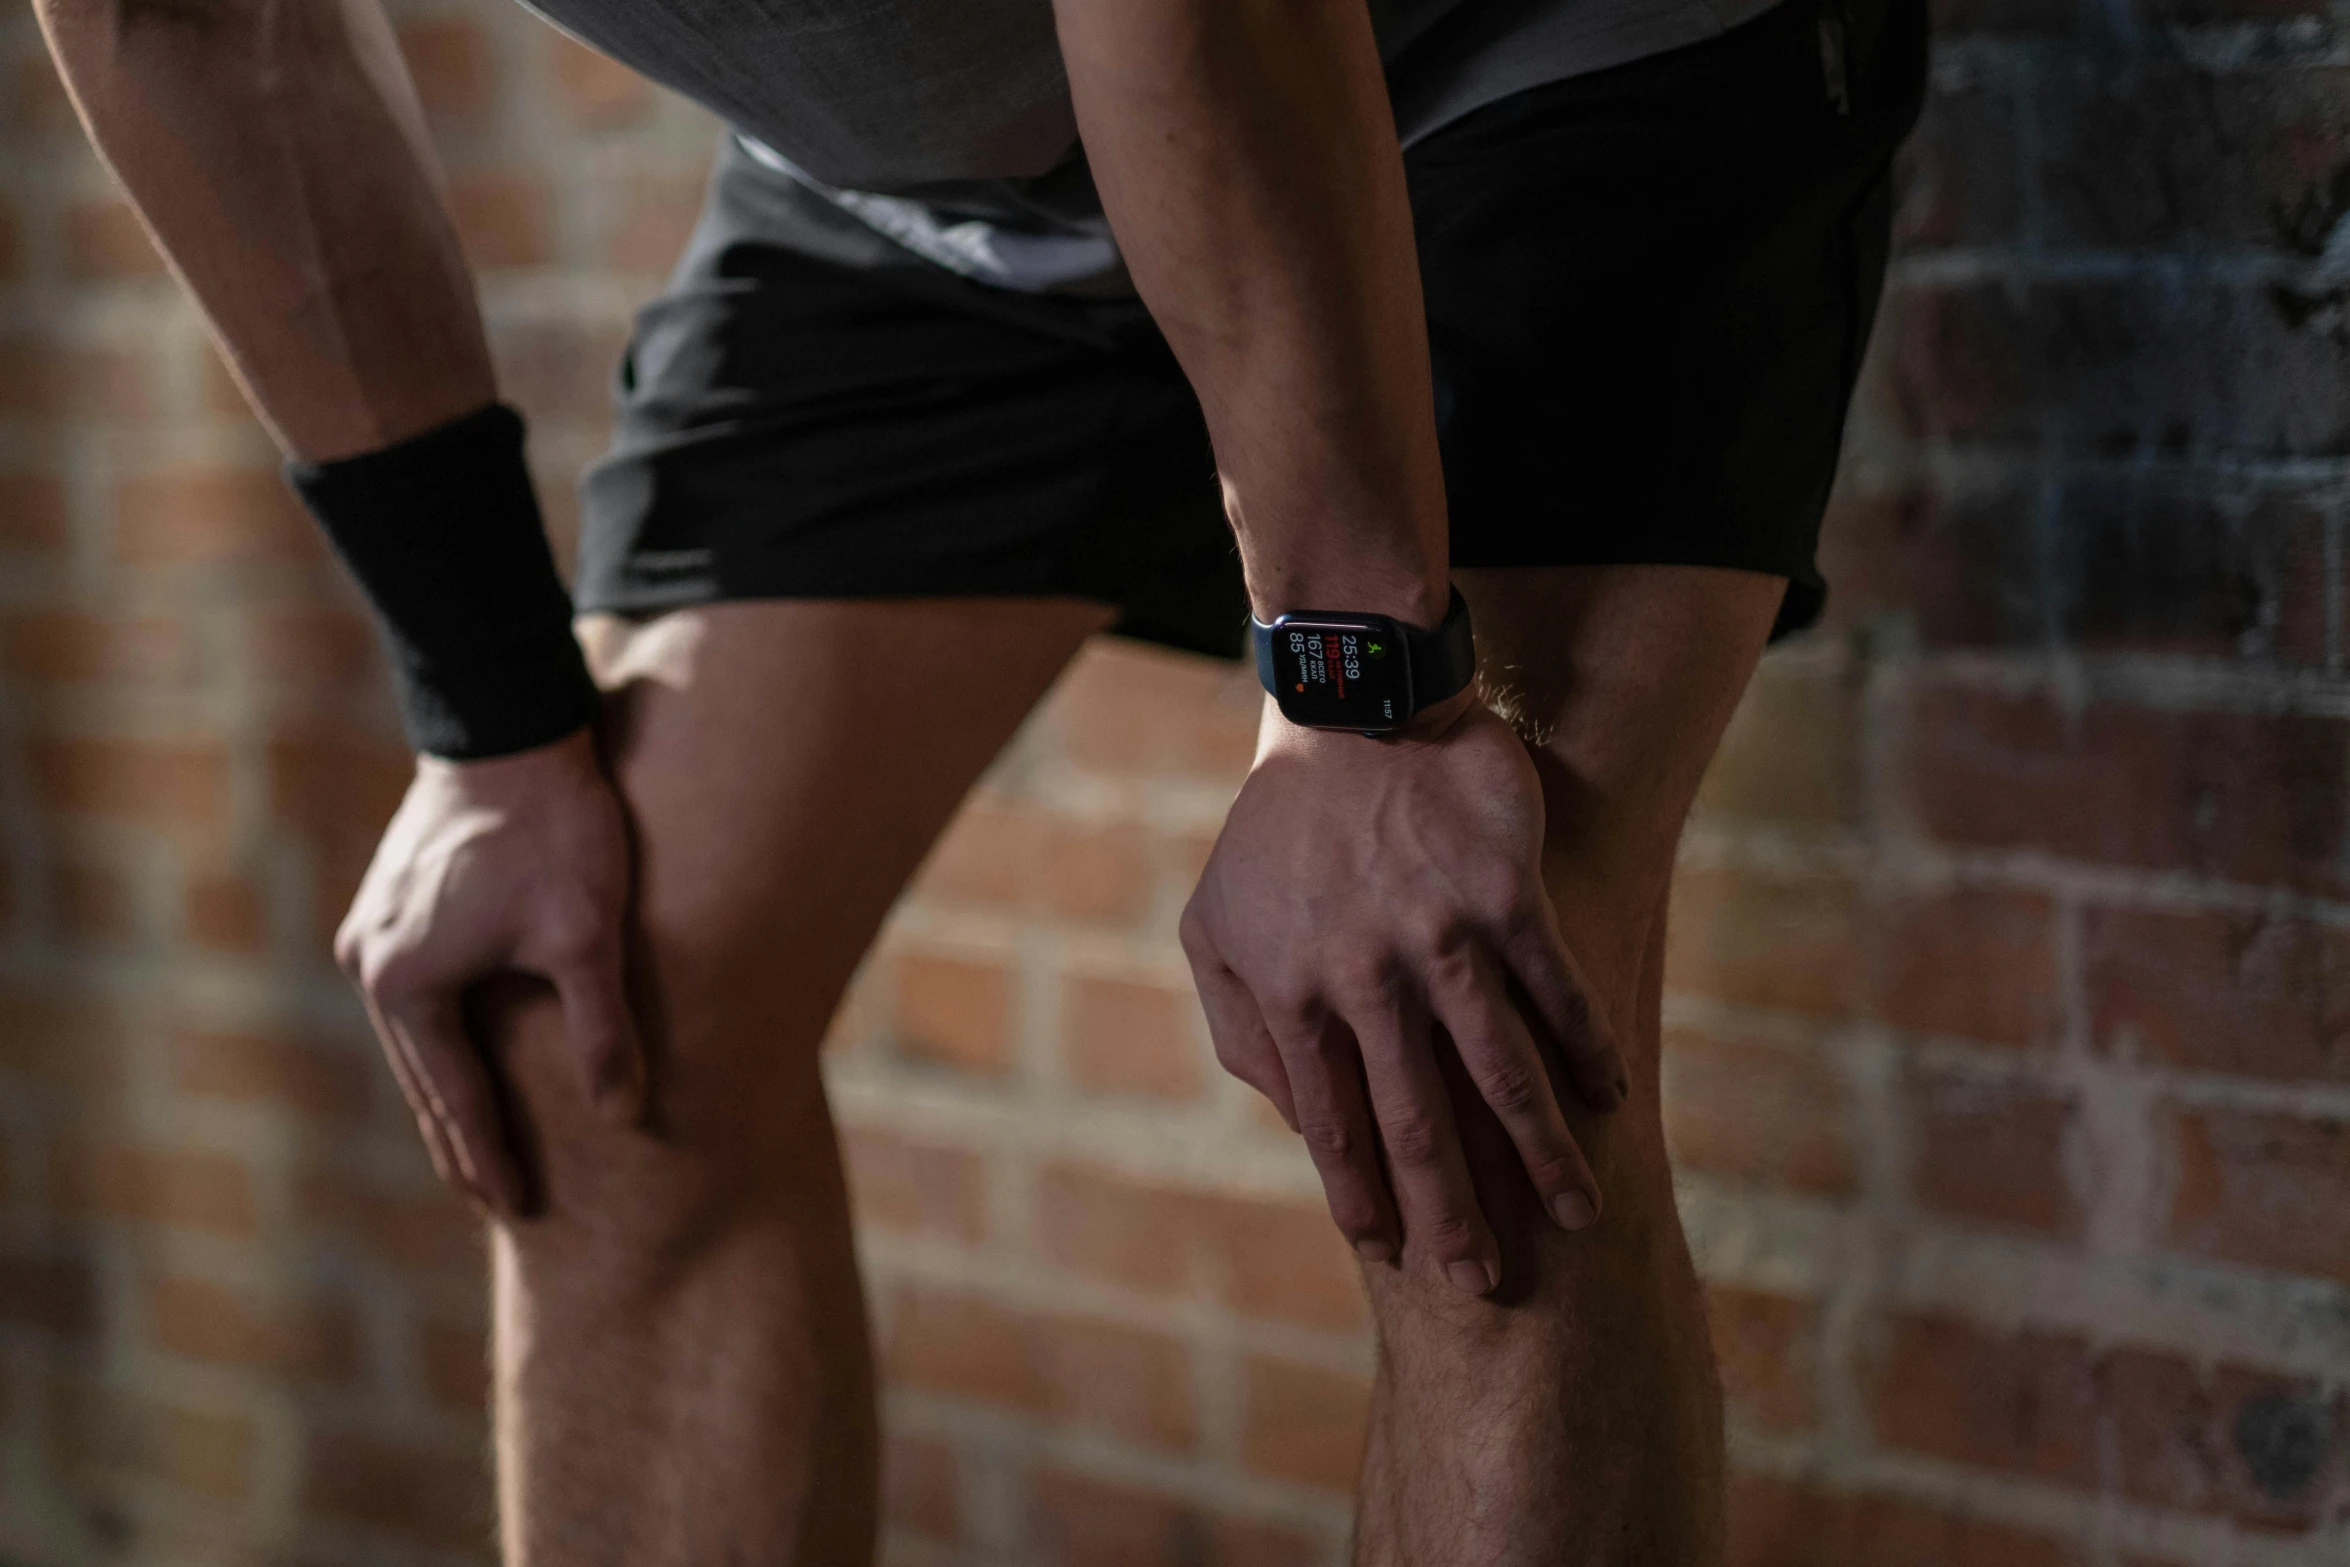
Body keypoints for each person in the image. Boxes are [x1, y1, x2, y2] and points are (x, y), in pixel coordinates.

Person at [36, 0, 1924, 1556]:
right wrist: (491, 719)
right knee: (591, 999)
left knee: (1462, 1060)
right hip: (947, 192)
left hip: (1527, 51)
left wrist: (1366, 704)